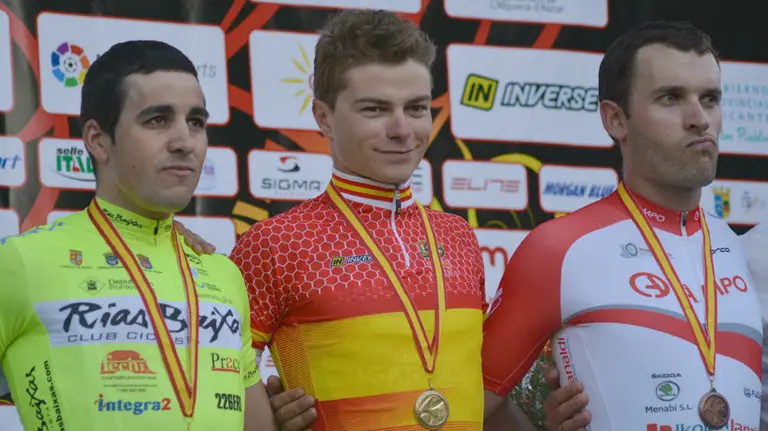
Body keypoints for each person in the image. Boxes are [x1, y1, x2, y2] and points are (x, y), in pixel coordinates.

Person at [481, 20, 763, 430]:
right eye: (671, 98)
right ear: (615, 120)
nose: (699, 118)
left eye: (710, 98)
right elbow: (471, 404)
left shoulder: (742, 252)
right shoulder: (560, 248)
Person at [227, 9, 491, 431]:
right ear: (323, 117)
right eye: (375, 109)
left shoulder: (457, 236)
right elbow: (219, 385)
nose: (403, 129)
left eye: (417, 107)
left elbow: (486, 389)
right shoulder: (274, 243)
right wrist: (262, 418)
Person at [0, 40, 276, 430]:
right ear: (98, 140)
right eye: (157, 120)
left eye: (196, 122)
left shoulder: (221, 273)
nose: (184, 142)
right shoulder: (22, 262)